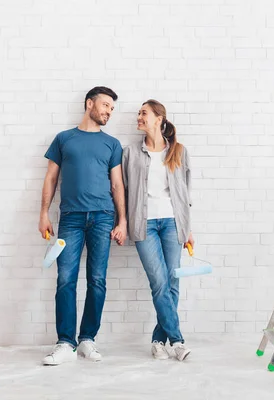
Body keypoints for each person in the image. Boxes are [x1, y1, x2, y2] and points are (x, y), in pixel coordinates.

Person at [39, 86, 127, 366]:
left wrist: (122, 221)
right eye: (105, 105)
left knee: (97, 280)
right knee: (65, 279)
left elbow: (117, 184)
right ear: (89, 104)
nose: (108, 112)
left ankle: (88, 339)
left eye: (112, 108)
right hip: (71, 219)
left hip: (103, 217)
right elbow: (51, 178)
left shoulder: (112, 144)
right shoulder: (64, 139)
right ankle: (65, 342)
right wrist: (43, 213)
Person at [122, 99, 193, 361]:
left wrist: (188, 229)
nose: (138, 117)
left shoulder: (179, 151)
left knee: (172, 282)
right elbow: (125, 189)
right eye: (139, 113)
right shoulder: (129, 152)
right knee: (159, 282)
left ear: (159, 119)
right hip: (145, 225)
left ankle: (157, 341)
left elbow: (185, 192)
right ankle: (177, 340)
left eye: (144, 113)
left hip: (173, 223)